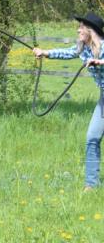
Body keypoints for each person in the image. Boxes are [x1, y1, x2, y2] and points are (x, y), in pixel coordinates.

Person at [33, 11, 104, 191]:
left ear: (90, 30)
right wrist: (45, 52)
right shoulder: (84, 49)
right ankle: (91, 185)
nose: (78, 30)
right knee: (92, 138)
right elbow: (67, 52)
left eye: (81, 27)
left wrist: (100, 62)